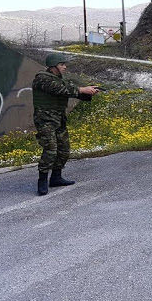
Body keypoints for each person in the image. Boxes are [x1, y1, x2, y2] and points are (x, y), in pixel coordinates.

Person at [32, 53, 100, 195]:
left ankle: (56, 177)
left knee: (64, 149)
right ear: (53, 66)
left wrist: (88, 92)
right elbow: (61, 89)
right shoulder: (42, 78)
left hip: (59, 119)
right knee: (50, 149)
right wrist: (82, 89)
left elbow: (69, 89)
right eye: (62, 64)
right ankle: (42, 180)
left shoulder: (59, 79)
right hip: (45, 120)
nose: (65, 67)